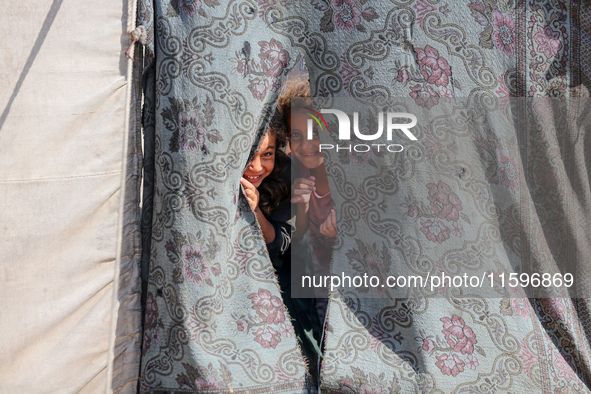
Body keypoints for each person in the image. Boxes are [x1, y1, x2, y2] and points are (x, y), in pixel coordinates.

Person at [240, 121, 322, 386]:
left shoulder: (288, 176)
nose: (256, 167)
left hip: (283, 284)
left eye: (267, 154)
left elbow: (282, 242)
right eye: (248, 153)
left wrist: (255, 212)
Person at [279, 80, 337, 327]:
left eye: (316, 132)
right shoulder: (290, 168)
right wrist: (300, 210)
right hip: (315, 285)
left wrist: (340, 235)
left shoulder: (351, 173)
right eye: (296, 135)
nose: (306, 145)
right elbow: (296, 235)